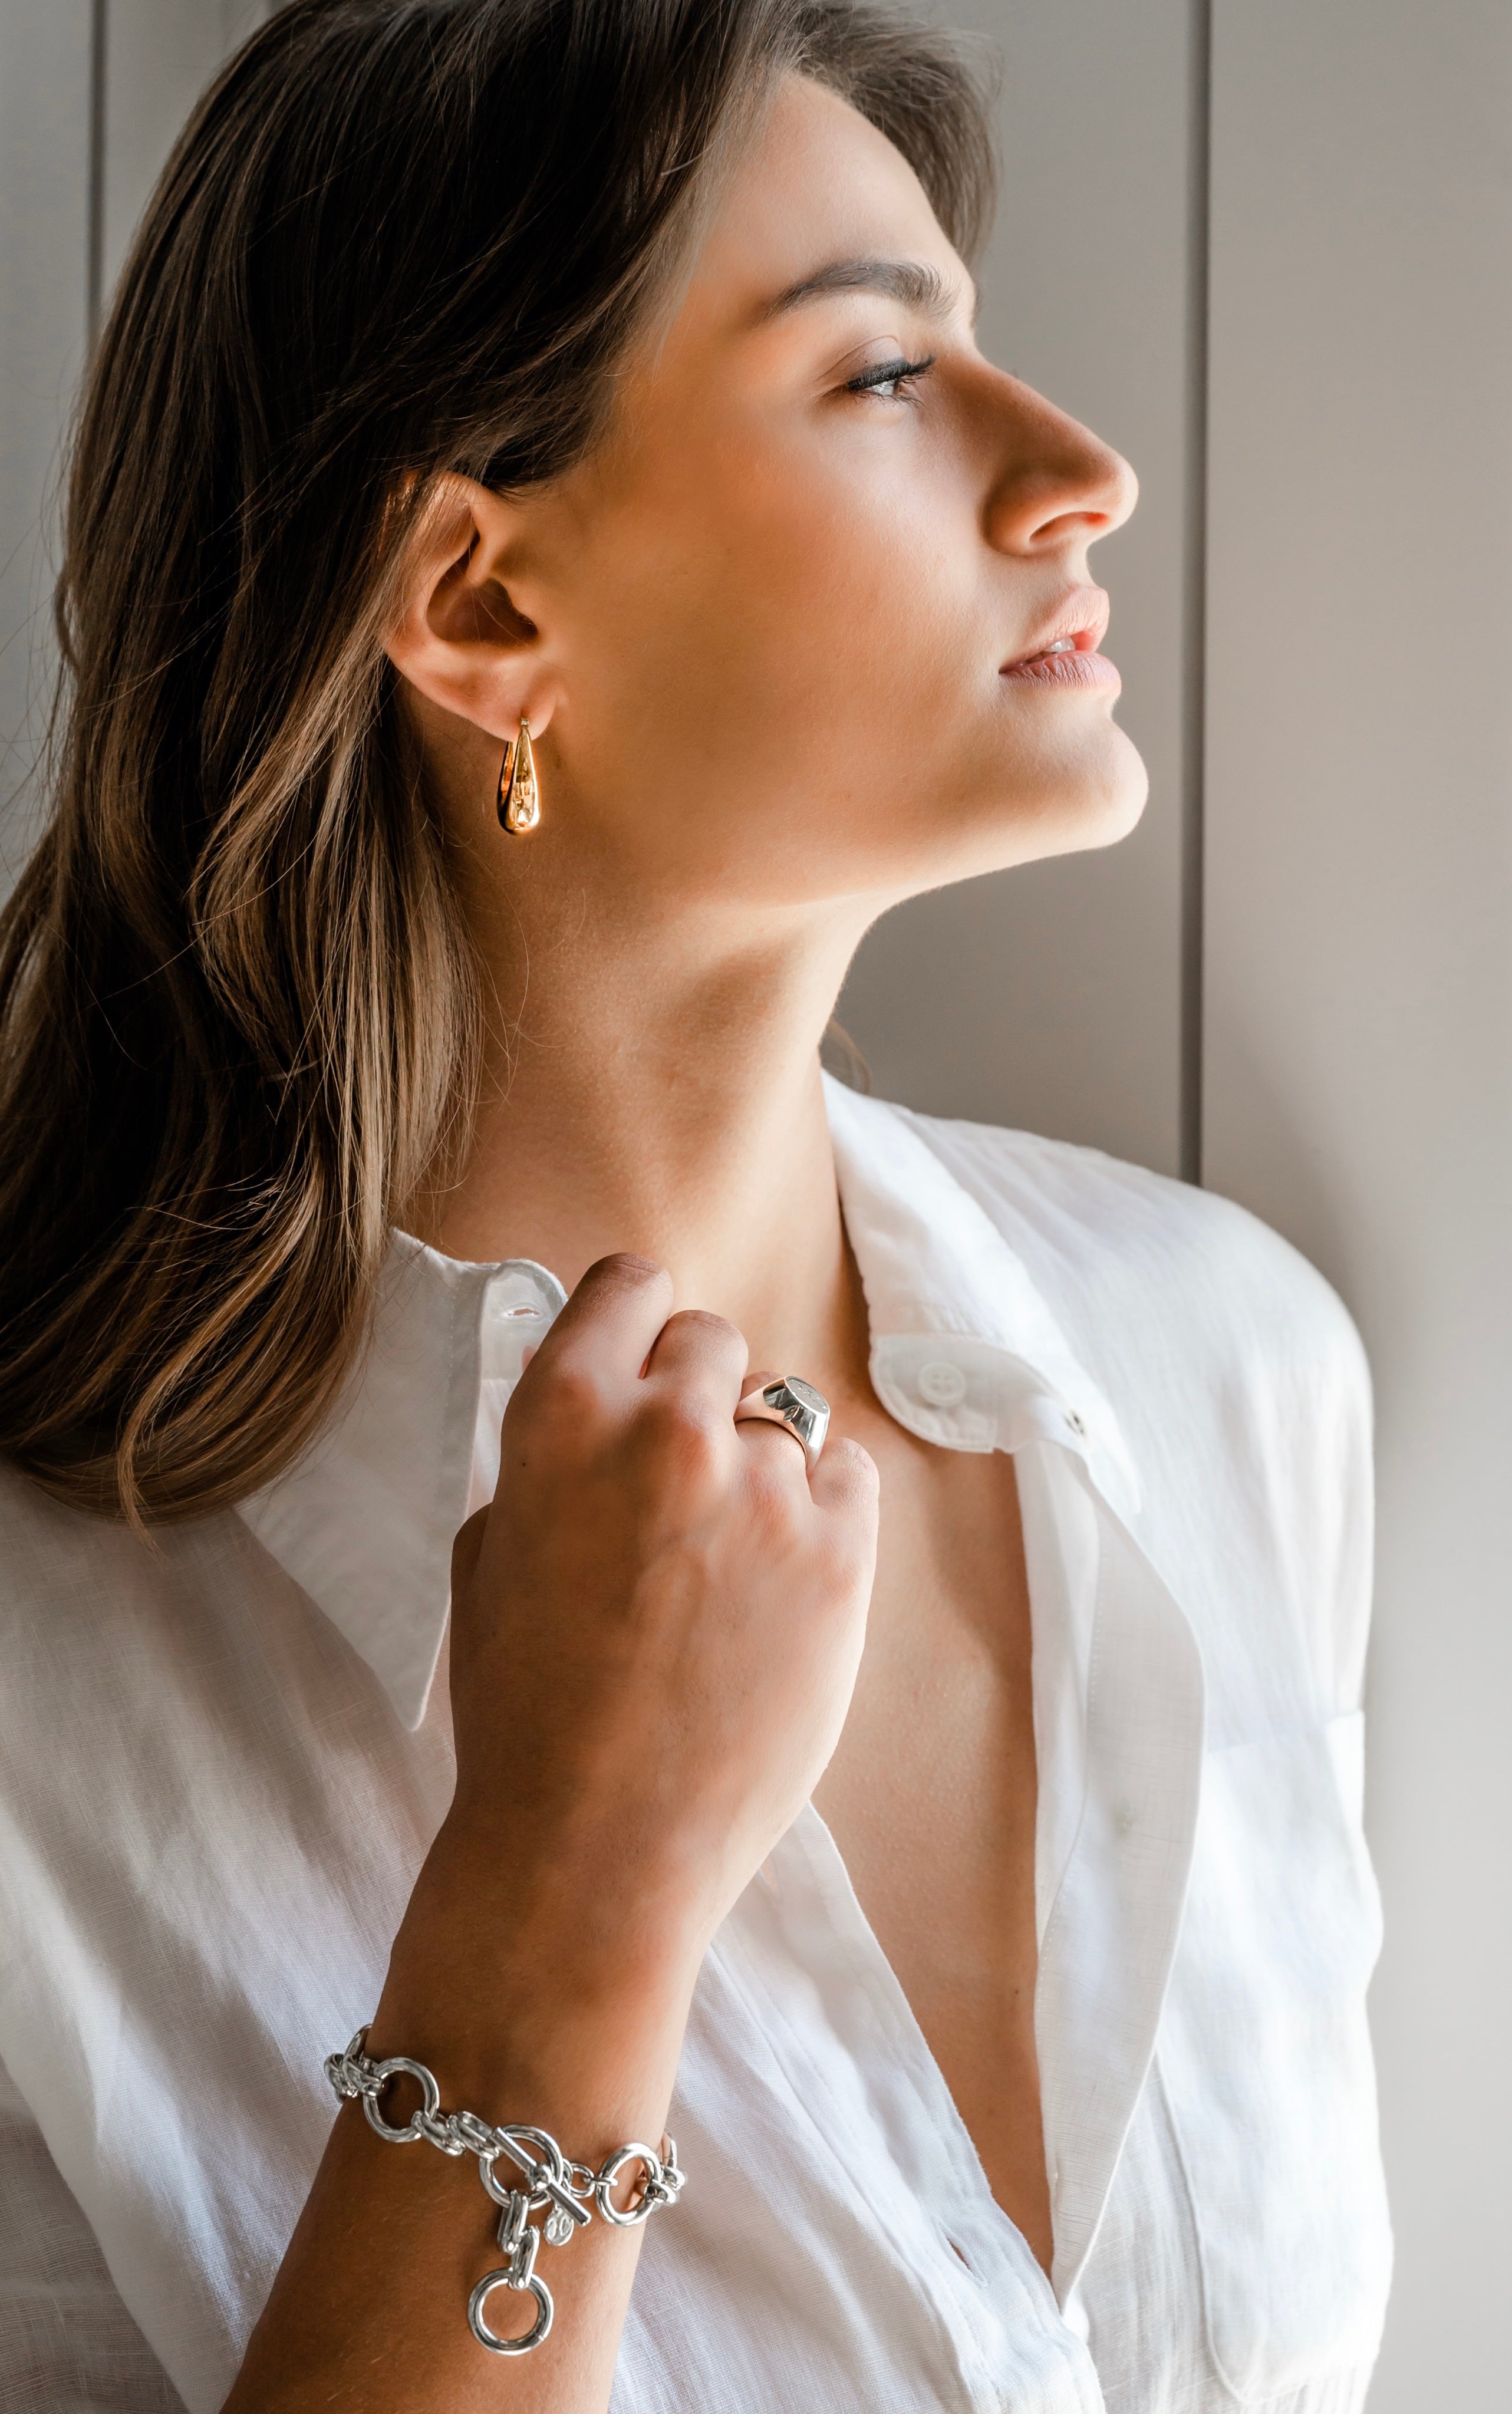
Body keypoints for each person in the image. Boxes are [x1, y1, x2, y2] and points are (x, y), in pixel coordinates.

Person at [0, 1, 1391, 2407]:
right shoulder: (51, 1681)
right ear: (484, 614)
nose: (1081, 472)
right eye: (878, 377)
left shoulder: (1229, 1371)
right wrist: (568, 1895)